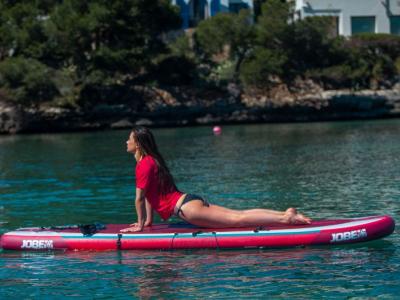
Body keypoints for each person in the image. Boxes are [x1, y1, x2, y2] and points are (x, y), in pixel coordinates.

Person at [121, 126, 311, 232]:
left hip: (186, 209)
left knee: (238, 220)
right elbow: (149, 196)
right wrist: (147, 223)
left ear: (137, 144)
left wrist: (139, 225)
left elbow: (139, 198)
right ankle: (284, 214)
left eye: (129, 139)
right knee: (239, 214)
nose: (126, 142)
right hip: (188, 200)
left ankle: (286, 218)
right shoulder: (152, 161)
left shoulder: (144, 164)